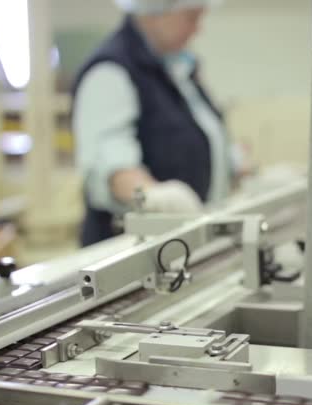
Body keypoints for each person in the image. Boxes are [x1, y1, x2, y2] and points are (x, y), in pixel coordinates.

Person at [72, 0, 234, 246]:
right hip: (130, 253)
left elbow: (202, 136)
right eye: (191, 17)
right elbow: (111, 166)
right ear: (155, 11)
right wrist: (153, 196)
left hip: (184, 243)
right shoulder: (110, 71)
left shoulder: (177, 68)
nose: (197, 29)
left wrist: (237, 164)